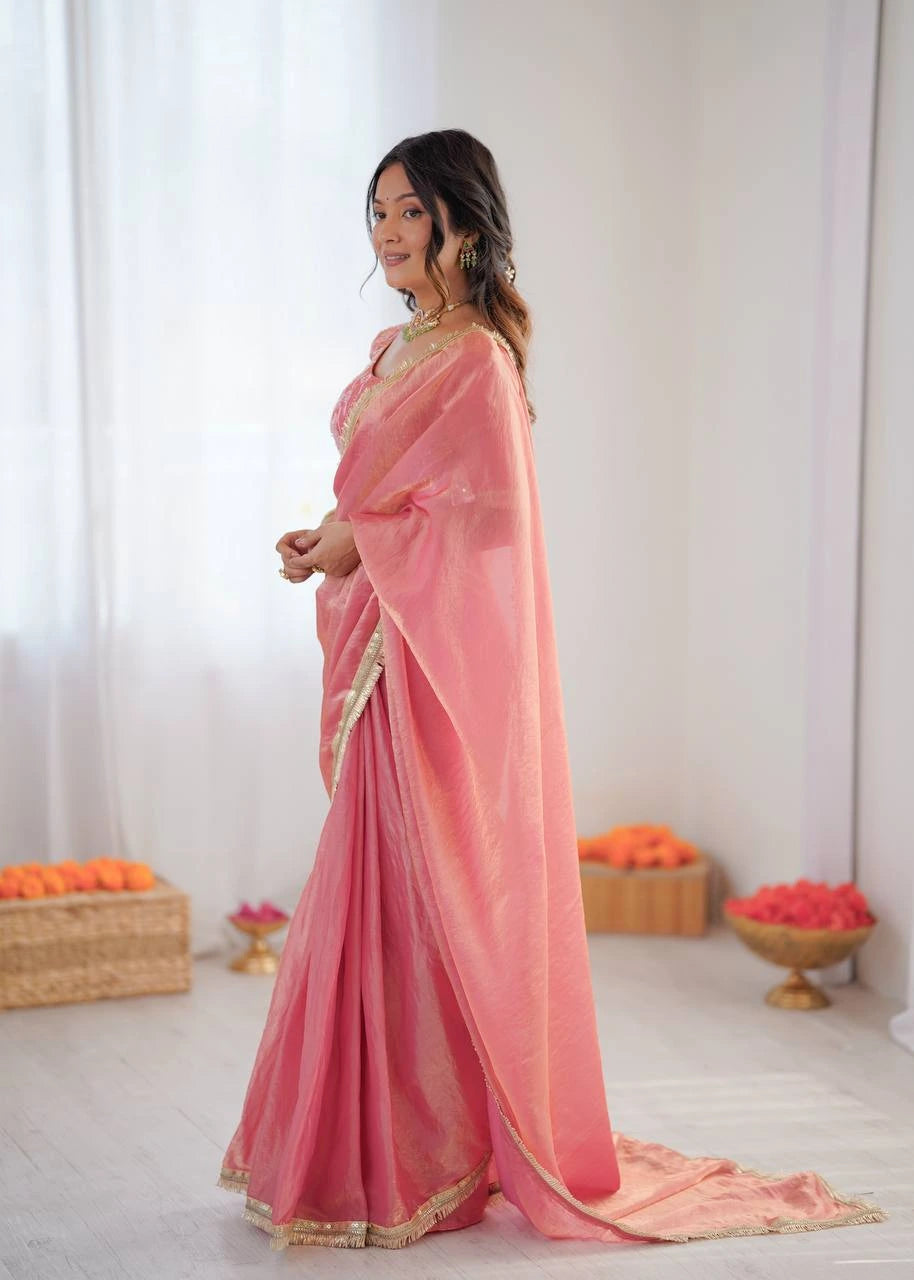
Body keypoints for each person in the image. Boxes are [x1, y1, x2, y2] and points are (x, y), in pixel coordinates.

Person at [217, 129, 886, 1251]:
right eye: (377, 211)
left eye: (411, 210)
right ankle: (361, 1152)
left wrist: (359, 544)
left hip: (429, 669)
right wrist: (331, 535)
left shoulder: (478, 359)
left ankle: (422, 1157)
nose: (388, 231)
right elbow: (390, 493)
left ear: (463, 222)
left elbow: (486, 520)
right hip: (385, 650)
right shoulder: (396, 346)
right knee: (370, 896)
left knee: (422, 901)